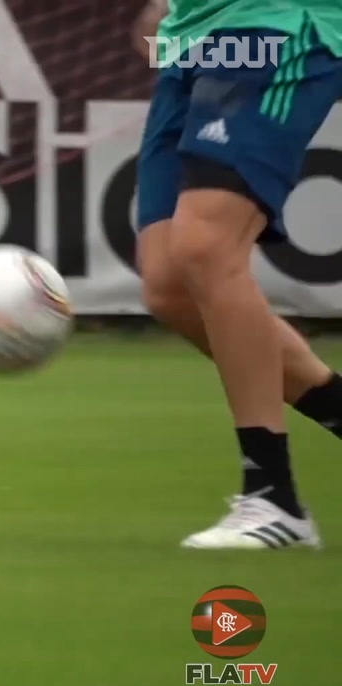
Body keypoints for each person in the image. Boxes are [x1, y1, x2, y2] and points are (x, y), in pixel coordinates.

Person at [133, 0, 342, 549]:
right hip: (193, 35)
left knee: (205, 246)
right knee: (169, 283)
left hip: (277, 21)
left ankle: (273, 496)